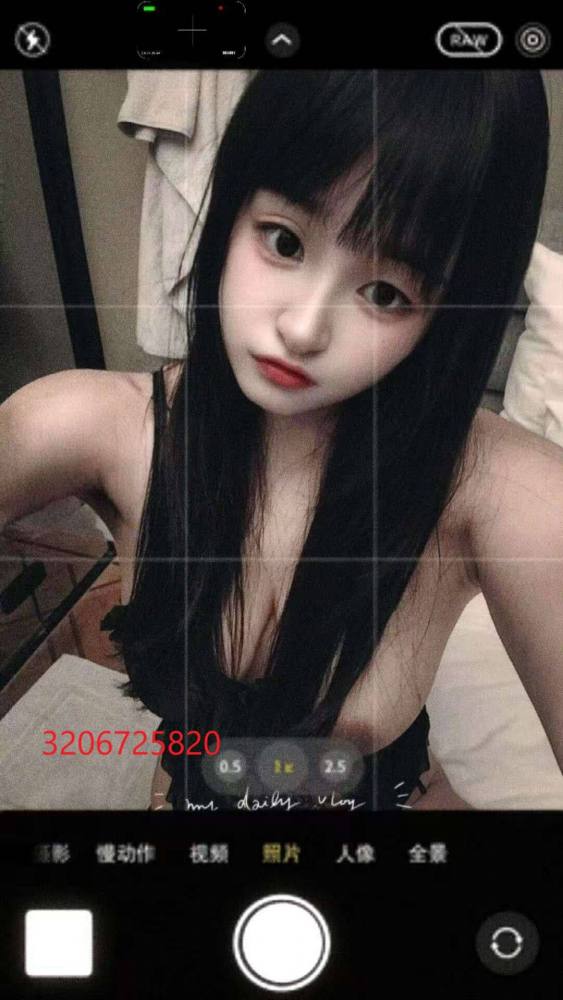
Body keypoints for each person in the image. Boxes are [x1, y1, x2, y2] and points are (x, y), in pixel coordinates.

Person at [2, 70, 560, 812]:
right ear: (232, 206)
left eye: (385, 293)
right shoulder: (104, 428)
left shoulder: (501, 491)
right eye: (284, 241)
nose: (302, 328)